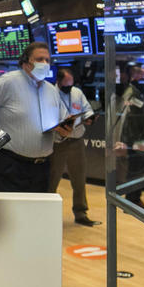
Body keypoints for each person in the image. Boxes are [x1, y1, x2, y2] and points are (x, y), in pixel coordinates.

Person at [0, 42, 70, 192]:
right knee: (11, 214)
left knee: (37, 213)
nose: (45, 64)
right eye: (40, 59)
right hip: (11, 165)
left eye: (48, 60)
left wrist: (62, 134)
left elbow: (61, 122)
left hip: (43, 167)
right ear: (25, 62)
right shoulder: (8, 82)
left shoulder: (51, 91)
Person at [48, 68, 100, 227]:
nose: (69, 88)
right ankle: (47, 213)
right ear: (58, 81)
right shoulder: (50, 94)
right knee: (52, 179)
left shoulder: (77, 92)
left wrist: (89, 118)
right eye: (66, 85)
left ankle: (81, 212)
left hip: (76, 141)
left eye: (71, 84)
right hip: (58, 143)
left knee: (79, 178)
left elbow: (86, 110)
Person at [116, 63, 144, 209]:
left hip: (137, 137)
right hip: (136, 138)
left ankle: (133, 199)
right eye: (142, 74)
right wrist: (136, 142)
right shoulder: (133, 91)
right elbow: (132, 117)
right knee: (136, 169)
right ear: (136, 75)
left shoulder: (136, 90)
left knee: (138, 168)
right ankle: (133, 200)